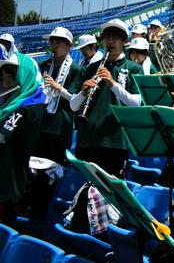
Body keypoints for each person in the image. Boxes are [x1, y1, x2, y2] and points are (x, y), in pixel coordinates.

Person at [69, 19, 143, 178]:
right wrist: (83, 92)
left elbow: (136, 103)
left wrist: (112, 83)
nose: (110, 41)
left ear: (124, 41)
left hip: (116, 140)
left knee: (112, 191)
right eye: (107, 37)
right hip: (88, 138)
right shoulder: (88, 69)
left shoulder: (134, 68)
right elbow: (73, 107)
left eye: (116, 37)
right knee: (85, 188)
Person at [0, 44, 46, 225]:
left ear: (24, 75)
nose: (5, 82)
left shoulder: (24, 108)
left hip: (8, 182)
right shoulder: (14, 105)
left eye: (10, 75)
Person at [38, 27, 82, 164]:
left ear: (69, 46)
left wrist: (57, 87)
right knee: (36, 163)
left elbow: (75, 99)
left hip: (61, 124)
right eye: (52, 42)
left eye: (59, 42)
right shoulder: (44, 65)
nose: (54, 45)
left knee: (56, 165)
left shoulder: (75, 69)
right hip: (42, 121)